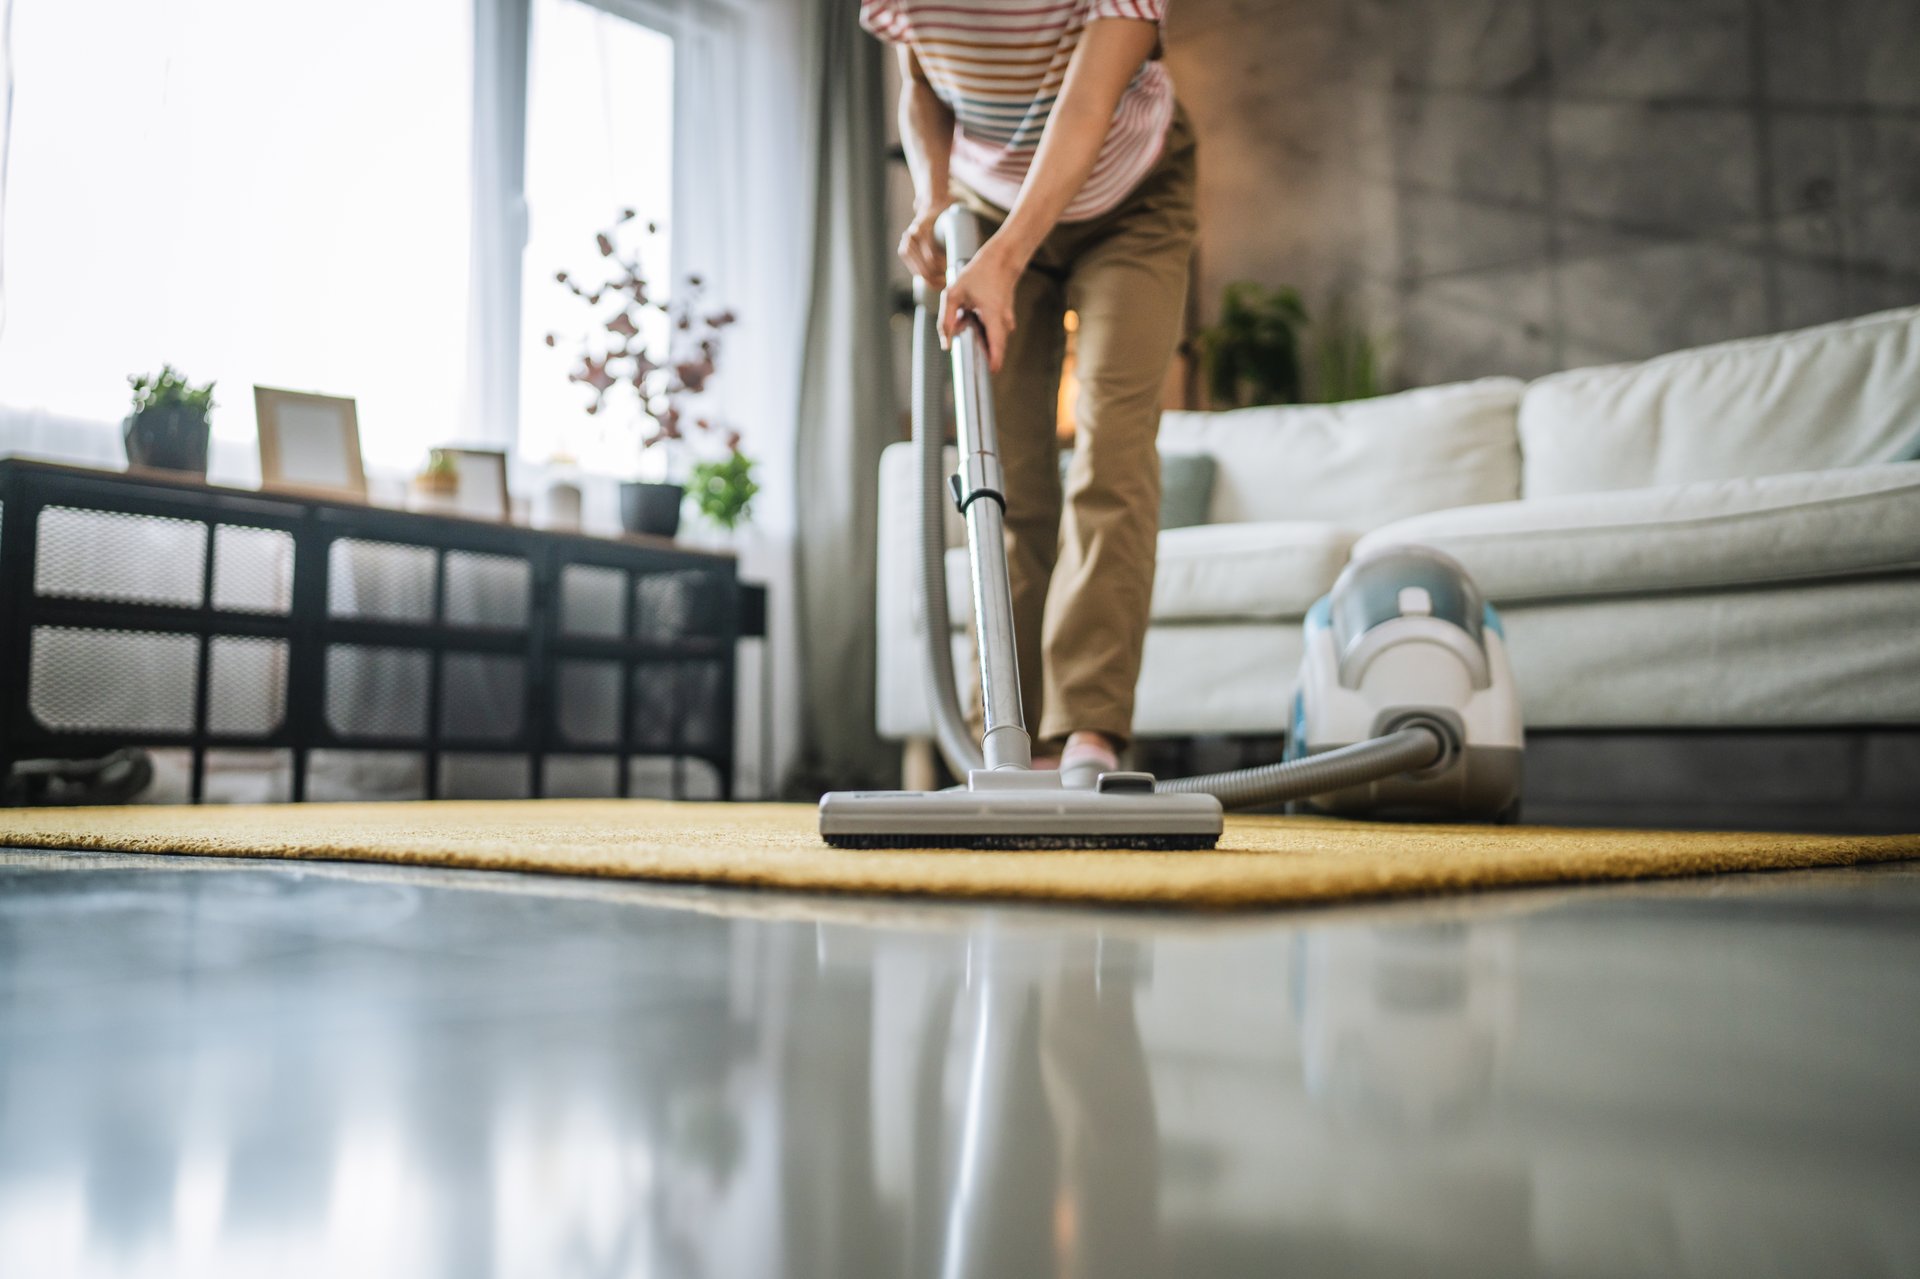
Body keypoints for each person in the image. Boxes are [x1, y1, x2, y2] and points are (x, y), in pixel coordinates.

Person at [861, 0, 1197, 787]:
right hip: (987, 206)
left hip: (1133, 194)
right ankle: (1011, 740)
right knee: (1002, 472)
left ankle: (1091, 730)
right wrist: (933, 198)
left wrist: (1005, 258)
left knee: (1112, 445)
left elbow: (1086, 104)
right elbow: (923, 84)